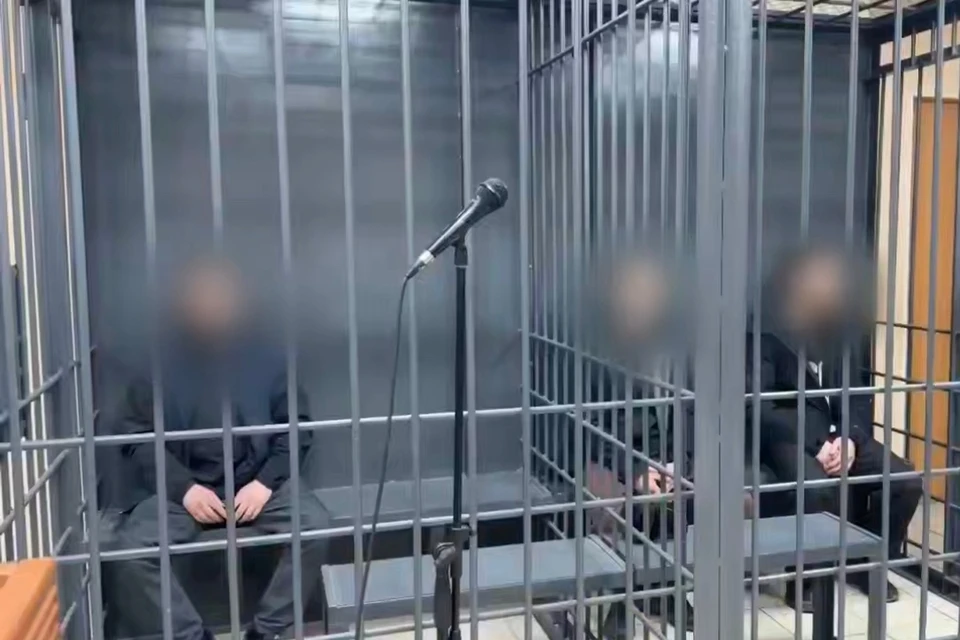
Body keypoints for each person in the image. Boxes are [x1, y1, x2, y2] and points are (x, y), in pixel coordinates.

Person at [109, 260, 329, 640]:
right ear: (186, 310)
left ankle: (266, 631)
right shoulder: (159, 368)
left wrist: (264, 483)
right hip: (187, 491)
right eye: (204, 302)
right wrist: (183, 489)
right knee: (130, 551)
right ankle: (191, 636)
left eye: (221, 301)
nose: (214, 311)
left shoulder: (268, 362)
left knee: (316, 527)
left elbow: (297, 429)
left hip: (256, 484)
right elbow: (134, 436)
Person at [747, 245, 921, 611]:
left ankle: (866, 564)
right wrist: (816, 443)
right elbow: (759, 406)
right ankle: (806, 580)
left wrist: (850, 439)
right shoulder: (765, 331)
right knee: (817, 487)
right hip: (790, 434)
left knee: (905, 481)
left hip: (840, 432)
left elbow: (856, 395)